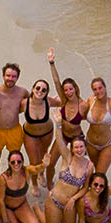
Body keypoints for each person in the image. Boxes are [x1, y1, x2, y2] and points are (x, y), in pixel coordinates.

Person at [43, 110, 94, 223]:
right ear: (71, 149)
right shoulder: (68, 158)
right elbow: (59, 140)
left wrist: (73, 199)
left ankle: (56, 216)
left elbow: (85, 188)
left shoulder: (89, 166)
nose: (79, 150)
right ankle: (38, 211)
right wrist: (58, 124)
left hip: (69, 203)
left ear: (85, 148)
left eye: (81, 147)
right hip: (55, 199)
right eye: (76, 147)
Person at [47, 48, 89, 188]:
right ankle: (49, 184)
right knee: (51, 163)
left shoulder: (83, 105)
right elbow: (56, 81)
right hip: (63, 135)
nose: (68, 92)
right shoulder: (64, 101)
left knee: (77, 167)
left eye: (70, 89)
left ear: (75, 88)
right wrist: (52, 62)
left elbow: (94, 117)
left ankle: (79, 187)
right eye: (65, 90)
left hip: (77, 138)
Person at [0, 63, 31, 177]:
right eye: (8, 75)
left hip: (14, 130)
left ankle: (12, 180)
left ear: (17, 78)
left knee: (15, 158)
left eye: (13, 76)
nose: (10, 79)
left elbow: (35, 100)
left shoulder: (22, 91)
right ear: (3, 76)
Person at [0, 150, 48, 223]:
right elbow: (0, 200)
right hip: (7, 207)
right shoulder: (3, 178)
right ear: (9, 163)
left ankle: (35, 209)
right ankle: (2, 214)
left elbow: (36, 169)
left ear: (22, 162)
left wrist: (44, 165)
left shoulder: (27, 171)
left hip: (21, 204)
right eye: (13, 162)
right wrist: (5, 221)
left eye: (19, 161)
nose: (16, 164)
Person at [21, 78, 60, 190]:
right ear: (33, 89)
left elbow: (64, 102)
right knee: (33, 161)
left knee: (44, 155)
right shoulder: (24, 103)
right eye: (38, 88)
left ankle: (41, 174)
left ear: (46, 93)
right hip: (30, 134)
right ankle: (34, 184)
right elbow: (9, 110)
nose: (40, 91)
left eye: (44, 90)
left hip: (47, 132)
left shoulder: (48, 101)